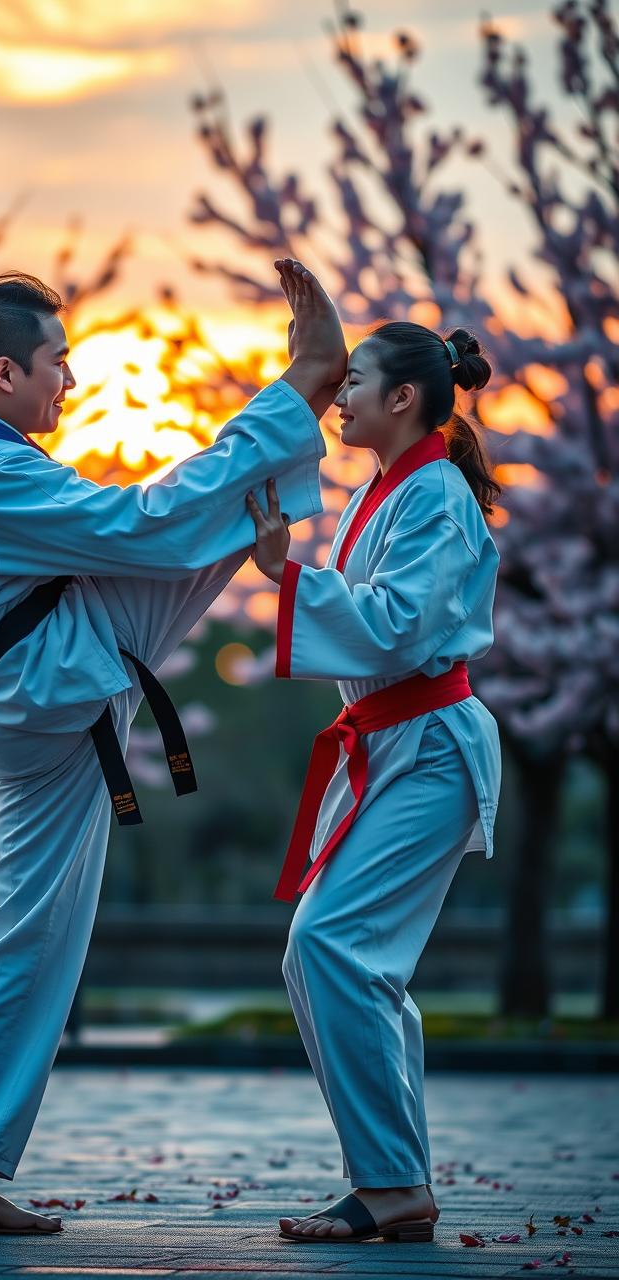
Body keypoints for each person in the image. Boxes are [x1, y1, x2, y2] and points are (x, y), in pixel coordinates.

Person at [0, 262, 344, 1235]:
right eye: (59, 362)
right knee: (29, 939)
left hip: (50, 678)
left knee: (189, 526)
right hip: (55, 689)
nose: (71, 380)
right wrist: (295, 393)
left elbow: (144, 531)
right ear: (6, 373)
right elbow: (130, 525)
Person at [246, 261, 502, 1246]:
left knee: (330, 946)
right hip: (398, 743)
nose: (339, 398)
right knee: (350, 960)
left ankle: (391, 1183)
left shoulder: (431, 495)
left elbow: (395, 627)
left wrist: (290, 575)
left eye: (351, 382)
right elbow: (378, 622)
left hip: (428, 746)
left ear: (404, 396)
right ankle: (397, 1182)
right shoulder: (396, 489)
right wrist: (290, 567)